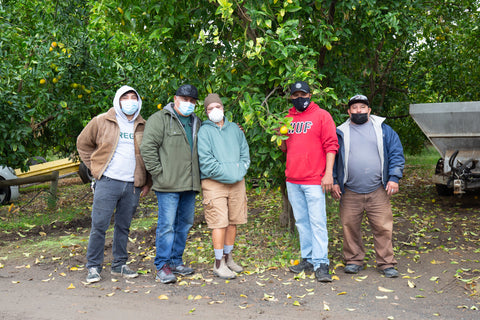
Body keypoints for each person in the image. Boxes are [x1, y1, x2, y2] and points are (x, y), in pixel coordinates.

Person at [77, 85, 152, 284]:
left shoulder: (143, 125)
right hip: (108, 182)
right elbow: (83, 143)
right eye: (125, 97)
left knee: (123, 227)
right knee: (99, 225)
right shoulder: (102, 121)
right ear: (118, 100)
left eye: (133, 97)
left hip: (132, 185)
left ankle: (119, 264)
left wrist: (147, 182)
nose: (129, 101)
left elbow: (149, 155)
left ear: (139, 101)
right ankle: (93, 266)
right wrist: (95, 168)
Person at [332, 94, 405, 278]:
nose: (358, 111)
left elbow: (396, 153)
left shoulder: (384, 130)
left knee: (383, 227)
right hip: (349, 190)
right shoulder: (339, 132)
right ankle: (354, 260)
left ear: (369, 110)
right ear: (348, 112)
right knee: (350, 226)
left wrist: (394, 178)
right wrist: (333, 181)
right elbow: (332, 158)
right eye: (354, 108)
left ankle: (386, 263)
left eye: (362, 107)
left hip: (378, 189)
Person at [140, 84, 201, 284]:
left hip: (190, 185)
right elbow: (148, 148)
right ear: (175, 99)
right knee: (166, 226)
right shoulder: (160, 119)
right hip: (168, 185)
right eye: (185, 99)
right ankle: (162, 265)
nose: (188, 104)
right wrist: (159, 174)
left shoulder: (196, 122)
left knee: (184, 225)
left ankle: (176, 261)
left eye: (192, 101)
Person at [280, 81, 339, 282]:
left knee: (318, 222)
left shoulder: (322, 115)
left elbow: (331, 146)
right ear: (291, 97)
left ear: (309, 95)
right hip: (293, 179)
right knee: (302, 222)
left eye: (302, 95)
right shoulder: (288, 117)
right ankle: (308, 258)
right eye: (295, 96)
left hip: (315, 179)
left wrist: (328, 174)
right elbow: (284, 148)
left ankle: (322, 263)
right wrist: (279, 136)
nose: (299, 99)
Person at [197, 93, 250, 279]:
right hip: (214, 184)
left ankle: (228, 258)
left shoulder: (235, 129)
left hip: (237, 182)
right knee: (219, 223)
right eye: (210, 109)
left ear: (223, 108)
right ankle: (218, 264)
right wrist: (230, 172)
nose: (214, 111)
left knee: (233, 222)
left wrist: (239, 171)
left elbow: (245, 155)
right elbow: (206, 162)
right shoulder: (204, 131)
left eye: (217, 107)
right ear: (205, 112)